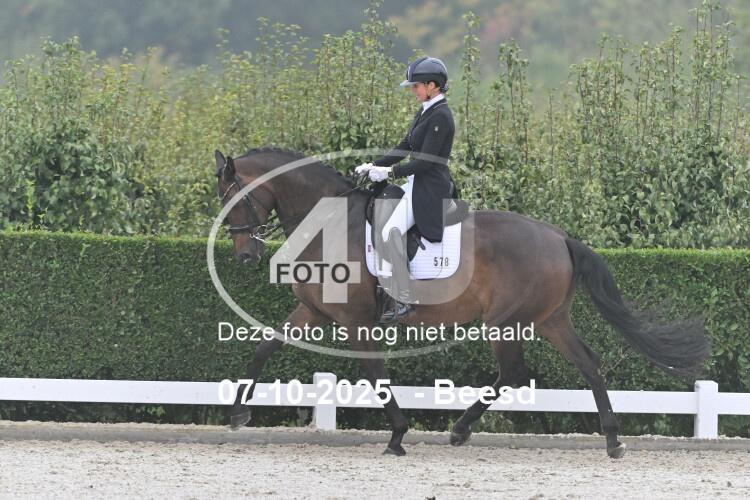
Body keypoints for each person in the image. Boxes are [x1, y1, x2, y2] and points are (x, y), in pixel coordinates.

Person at [355, 56, 456, 322]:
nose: (413, 90)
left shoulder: (441, 116)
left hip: (430, 187)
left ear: (432, 85)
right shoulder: (425, 110)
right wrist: (374, 165)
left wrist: (390, 173)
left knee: (390, 231)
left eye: (416, 86)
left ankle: (402, 299)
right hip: (416, 184)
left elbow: (426, 162)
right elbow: (405, 147)